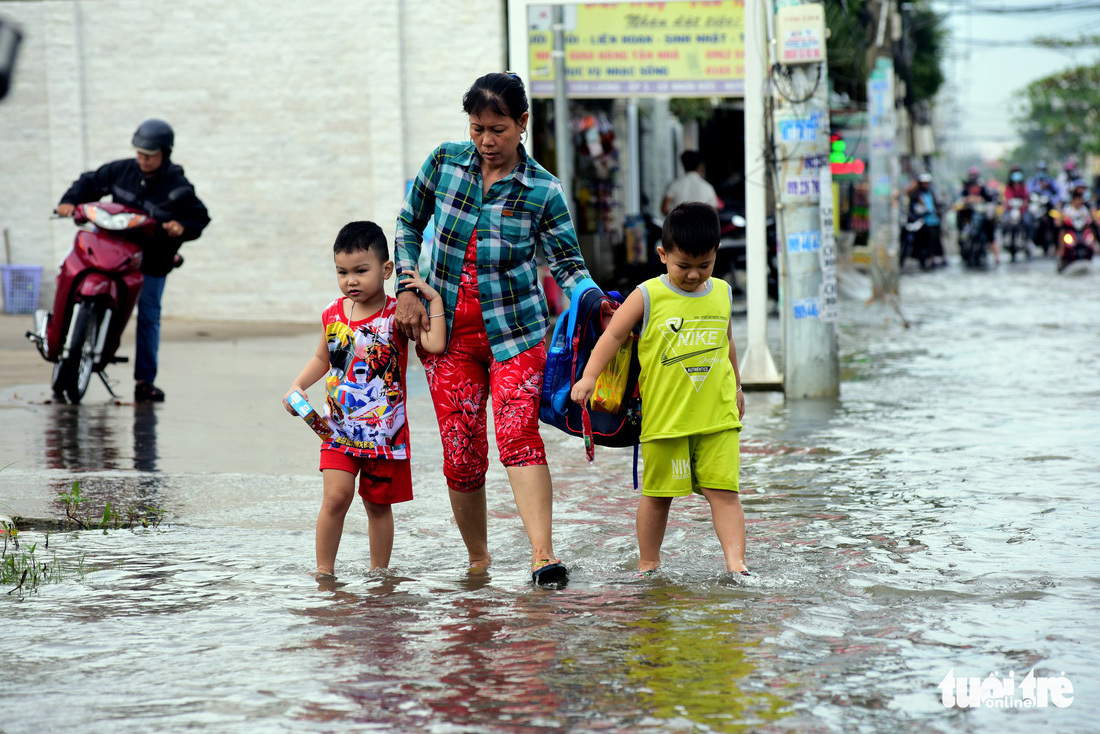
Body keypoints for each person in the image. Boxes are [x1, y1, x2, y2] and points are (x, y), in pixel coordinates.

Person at [394, 72, 590, 586]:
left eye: (498, 129)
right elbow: (409, 223)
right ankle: (478, 561)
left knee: (518, 436)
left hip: (517, 335)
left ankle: (543, 555)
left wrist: (594, 302)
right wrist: (408, 287)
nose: (486, 141)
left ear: (522, 123)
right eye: (478, 128)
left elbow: (568, 264)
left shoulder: (542, 189)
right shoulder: (444, 163)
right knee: (461, 454)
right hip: (447, 336)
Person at [571, 202, 749, 578]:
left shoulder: (722, 293)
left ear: (717, 254)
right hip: (666, 420)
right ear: (663, 255)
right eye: (684, 265)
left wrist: (737, 386)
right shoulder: (648, 295)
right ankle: (648, 563)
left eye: (705, 265)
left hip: (717, 417)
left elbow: (727, 342)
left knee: (725, 493)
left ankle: (737, 565)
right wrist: (588, 377)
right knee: (658, 496)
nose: (693, 275)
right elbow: (614, 335)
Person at [283, 221, 441, 579]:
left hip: (384, 436)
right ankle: (324, 573)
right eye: (342, 272)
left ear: (386, 270)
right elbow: (323, 359)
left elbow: (433, 345)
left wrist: (432, 300)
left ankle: (379, 574)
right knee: (336, 497)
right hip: (335, 430)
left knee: (377, 505)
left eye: (360, 271)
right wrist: (298, 386)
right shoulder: (332, 314)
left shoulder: (397, 315)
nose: (350, 280)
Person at [56, 119, 210, 402]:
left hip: (151, 261)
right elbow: (89, 182)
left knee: (149, 317)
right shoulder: (122, 170)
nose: (143, 159)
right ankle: (59, 346)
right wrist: (69, 201)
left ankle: (144, 381)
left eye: (149, 155)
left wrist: (182, 227)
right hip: (113, 252)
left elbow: (200, 217)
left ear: (165, 153)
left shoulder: (178, 186)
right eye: (139, 153)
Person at [661, 150, 723, 215]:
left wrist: (676, 218)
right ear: (699, 166)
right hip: (700, 224)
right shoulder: (707, 187)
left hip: (678, 224)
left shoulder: (674, 184)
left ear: (683, 165)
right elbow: (714, 210)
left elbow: (664, 208)